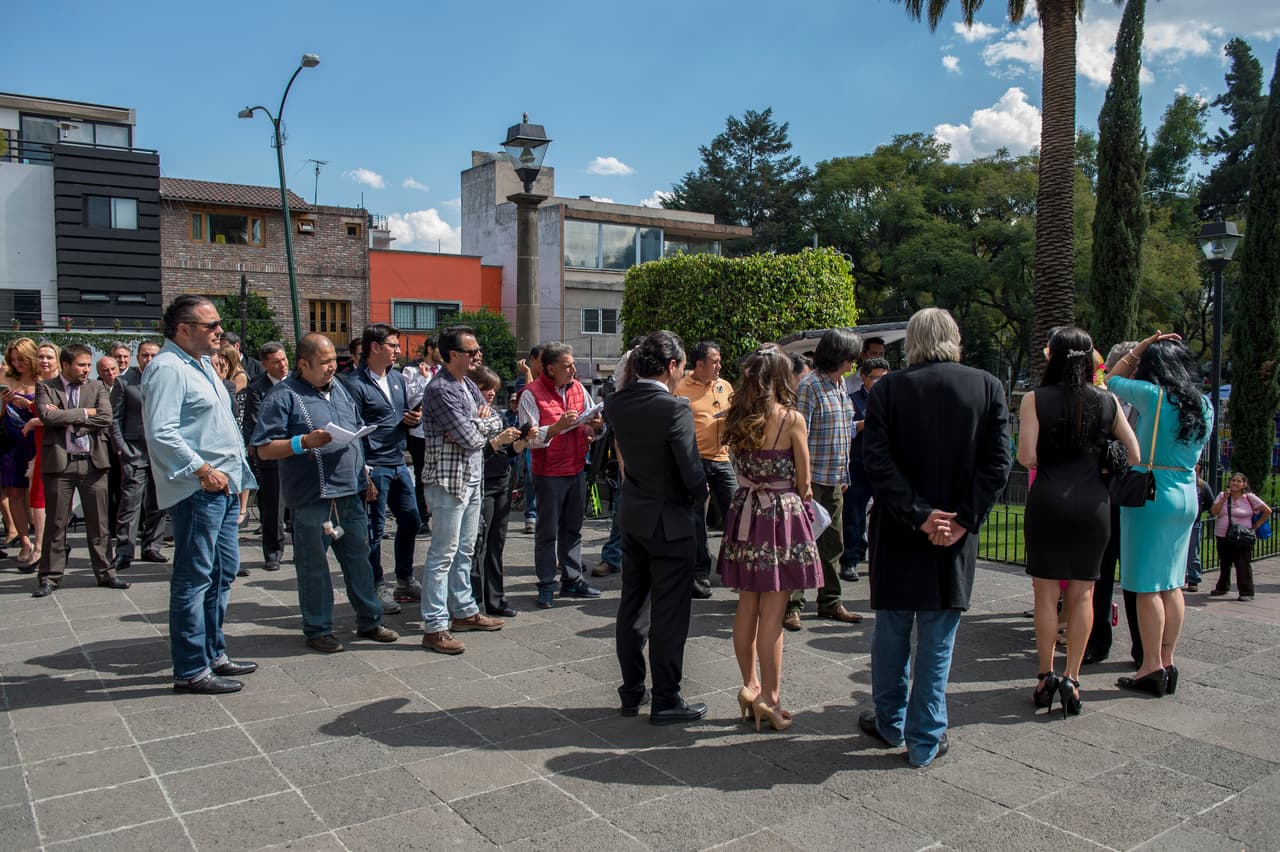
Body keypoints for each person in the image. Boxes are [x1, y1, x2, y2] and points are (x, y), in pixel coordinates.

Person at [860, 308, 1011, 767]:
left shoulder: (887, 389)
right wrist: (962, 519)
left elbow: (876, 462)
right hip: (953, 534)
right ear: (954, 338)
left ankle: (890, 722)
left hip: (899, 528)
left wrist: (921, 515)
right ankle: (925, 737)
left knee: (891, 630)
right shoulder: (987, 386)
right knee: (938, 636)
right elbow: (998, 463)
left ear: (913, 341)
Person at [252, 333, 400, 652]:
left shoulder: (341, 389)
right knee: (314, 567)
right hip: (312, 497)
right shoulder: (283, 396)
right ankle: (318, 628)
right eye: (324, 362)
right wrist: (303, 442)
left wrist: (365, 476)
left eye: (334, 360)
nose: (331, 367)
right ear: (303, 364)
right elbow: (264, 448)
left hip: (350, 493)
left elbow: (356, 433)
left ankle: (370, 620)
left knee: (359, 561)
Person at [1018, 327, 1139, 717]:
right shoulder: (1107, 401)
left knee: (1044, 593)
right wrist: (1100, 459)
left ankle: (1045, 675)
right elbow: (1134, 454)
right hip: (1093, 504)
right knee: (1084, 593)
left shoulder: (1034, 399)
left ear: (1053, 357)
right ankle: (1072, 677)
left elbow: (1026, 456)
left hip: (1049, 500)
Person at [143, 295, 257, 695]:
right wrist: (203, 470)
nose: (219, 331)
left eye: (219, 324)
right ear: (182, 329)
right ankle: (191, 668)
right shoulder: (167, 368)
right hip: (199, 489)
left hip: (223, 486)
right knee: (193, 578)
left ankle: (212, 652)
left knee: (222, 573)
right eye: (211, 325)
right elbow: (162, 432)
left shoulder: (203, 363)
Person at [605, 331, 709, 724]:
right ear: (671, 366)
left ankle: (632, 691)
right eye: (681, 367)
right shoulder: (674, 408)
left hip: (634, 513)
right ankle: (666, 698)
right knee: (669, 613)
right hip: (670, 520)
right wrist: (701, 495)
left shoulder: (617, 401)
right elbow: (691, 470)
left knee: (633, 604)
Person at [717, 345, 822, 732]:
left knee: (747, 606)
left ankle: (750, 686)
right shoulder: (791, 419)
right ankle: (771, 700)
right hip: (780, 518)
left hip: (745, 512)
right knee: (773, 616)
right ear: (781, 376)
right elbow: (805, 482)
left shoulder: (735, 417)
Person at [1106, 332, 1212, 698]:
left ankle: (1150, 665)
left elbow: (1109, 379)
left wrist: (1139, 348)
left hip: (1152, 493)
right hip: (1186, 491)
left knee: (1147, 585)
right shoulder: (1204, 405)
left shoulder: (1153, 396)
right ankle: (1167, 660)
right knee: (1172, 582)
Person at [418, 325, 508, 654]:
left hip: (471, 478)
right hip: (448, 481)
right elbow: (471, 437)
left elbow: (496, 420)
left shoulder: (468, 384)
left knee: (464, 550)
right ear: (453, 354)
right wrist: (478, 426)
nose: (478, 356)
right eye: (473, 352)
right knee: (442, 554)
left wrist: (477, 424)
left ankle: (464, 610)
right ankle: (435, 626)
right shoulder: (440, 389)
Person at [342, 323, 423, 615]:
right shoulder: (354, 384)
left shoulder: (398, 378)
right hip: (373, 464)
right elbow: (352, 428)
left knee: (411, 520)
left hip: (398, 460)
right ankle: (376, 585)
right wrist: (363, 471)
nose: (398, 351)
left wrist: (409, 420)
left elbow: (394, 416)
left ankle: (404, 579)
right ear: (374, 347)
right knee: (374, 529)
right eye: (393, 345)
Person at [32, 343, 125, 598]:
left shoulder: (96, 387)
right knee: (56, 522)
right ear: (65, 365)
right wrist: (85, 413)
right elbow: (47, 417)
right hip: (59, 463)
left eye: (88, 365)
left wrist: (68, 417)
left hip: (93, 463)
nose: (86, 370)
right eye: (81, 365)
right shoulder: (46, 387)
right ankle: (50, 576)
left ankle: (106, 572)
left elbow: (105, 417)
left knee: (99, 522)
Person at [784, 328, 862, 631]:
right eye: (852, 356)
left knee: (832, 544)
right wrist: (801, 483)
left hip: (834, 480)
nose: (854, 361)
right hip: (811, 480)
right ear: (840, 356)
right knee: (802, 544)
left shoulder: (840, 386)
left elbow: (844, 431)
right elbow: (797, 436)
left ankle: (830, 601)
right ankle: (792, 606)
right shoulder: (811, 386)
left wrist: (844, 474)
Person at [518, 341, 603, 609]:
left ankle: (572, 579)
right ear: (550, 368)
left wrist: (595, 426)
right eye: (567, 366)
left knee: (573, 528)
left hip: (576, 467)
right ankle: (546, 584)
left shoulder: (578, 388)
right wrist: (556, 427)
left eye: (573, 364)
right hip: (549, 473)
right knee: (547, 531)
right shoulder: (530, 394)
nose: (573, 370)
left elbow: (591, 420)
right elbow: (528, 438)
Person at [674, 341, 734, 599]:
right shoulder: (680, 388)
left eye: (720, 361)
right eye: (714, 362)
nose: (719, 366)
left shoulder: (725, 386)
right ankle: (700, 571)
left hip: (723, 459)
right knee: (697, 518)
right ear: (699, 364)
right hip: (696, 460)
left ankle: (734, 568)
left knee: (736, 512)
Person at [469, 365, 525, 618]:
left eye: (494, 389)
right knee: (476, 543)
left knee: (496, 543)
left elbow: (508, 452)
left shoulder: (497, 414)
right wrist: (498, 440)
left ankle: (496, 599)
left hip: (502, 481)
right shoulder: (467, 414)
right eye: (486, 388)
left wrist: (521, 441)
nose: (491, 393)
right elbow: (475, 454)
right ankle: (472, 599)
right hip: (481, 484)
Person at [109, 340, 167, 573]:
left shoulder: (166, 379)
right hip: (135, 451)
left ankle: (152, 546)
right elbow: (114, 418)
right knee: (130, 502)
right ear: (138, 357)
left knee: (159, 502)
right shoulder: (124, 382)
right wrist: (122, 447)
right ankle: (124, 551)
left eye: (154, 355)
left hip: (161, 452)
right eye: (145, 355)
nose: (149, 359)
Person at [241, 341, 290, 574]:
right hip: (272, 453)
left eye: (284, 359)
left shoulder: (297, 382)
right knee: (273, 507)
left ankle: (303, 548)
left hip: (299, 450)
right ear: (265, 365)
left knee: (300, 505)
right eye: (276, 362)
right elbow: (260, 421)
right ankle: (273, 552)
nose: (283, 365)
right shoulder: (257, 388)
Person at [840, 356, 890, 583]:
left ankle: (880, 560)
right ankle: (850, 559)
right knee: (854, 513)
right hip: (859, 464)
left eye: (883, 378)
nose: (878, 382)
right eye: (874, 378)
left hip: (885, 466)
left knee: (887, 515)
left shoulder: (893, 400)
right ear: (863, 378)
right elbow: (844, 430)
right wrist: (861, 424)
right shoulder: (852, 400)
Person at [2, 338, 40, 569]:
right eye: (13, 359)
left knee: (38, 495)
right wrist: (4, 402)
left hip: (37, 440)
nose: (17, 364)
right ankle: (24, 542)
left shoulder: (44, 380)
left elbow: (52, 412)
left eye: (21, 359)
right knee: (14, 492)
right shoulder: (5, 379)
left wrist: (28, 405)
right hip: (12, 441)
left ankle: (40, 543)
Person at [1209, 471, 1271, 602]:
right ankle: (1222, 587)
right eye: (1233, 480)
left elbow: (1267, 511)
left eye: (1239, 481)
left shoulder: (1249, 497)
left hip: (1242, 536)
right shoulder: (1222, 495)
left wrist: (1255, 526)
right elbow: (1214, 511)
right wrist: (1223, 499)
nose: (1235, 483)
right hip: (1223, 535)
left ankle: (1246, 591)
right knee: (1224, 562)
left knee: (1242, 563)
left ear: (1244, 484)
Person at [401, 335, 442, 534]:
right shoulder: (411, 371)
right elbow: (408, 399)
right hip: (420, 432)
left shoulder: (443, 371)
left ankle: (439, 514)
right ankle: (423, 518)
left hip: (441, 431)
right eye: (439, 348)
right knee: (422, 476)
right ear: (430, 349)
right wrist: (425, 380)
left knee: (440, 476)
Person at [515, 345, 545, 534]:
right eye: (542, 360)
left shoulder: (551, 379)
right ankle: (531, 516)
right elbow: (527, 395)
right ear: (532, 359)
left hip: (548, 435)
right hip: (530, 437)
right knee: (531, 476)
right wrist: (527, 373)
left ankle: (543, 515)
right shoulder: (522, 380)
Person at [1184, 464, 1215, 592]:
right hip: (1177, 523)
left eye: (1196, 470)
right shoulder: (1181, 482)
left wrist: (1199, 510)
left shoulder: (1202, 485)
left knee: (1192, 552)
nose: (1193, 471)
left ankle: (1193, 579)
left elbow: (1210, 503)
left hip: (1194, 523)